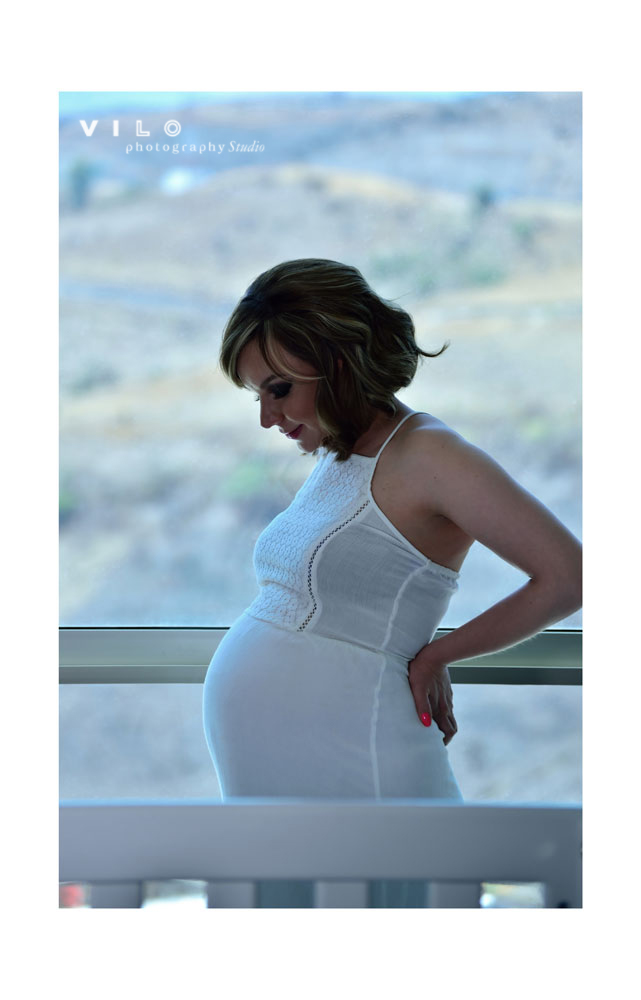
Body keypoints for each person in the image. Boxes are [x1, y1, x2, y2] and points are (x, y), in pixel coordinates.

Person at [202, 258, 581, 903]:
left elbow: (568, 575)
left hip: (359, 748)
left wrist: (438, 653)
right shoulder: (342, 452)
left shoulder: (430, 453)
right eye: (256, 395)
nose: (267, 417)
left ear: (339, 364)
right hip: (293, 766)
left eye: (279, 389)